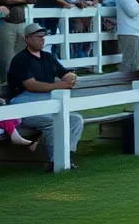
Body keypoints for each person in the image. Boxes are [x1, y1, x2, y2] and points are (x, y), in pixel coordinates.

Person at [5, 23, 84, 172]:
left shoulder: (48, 57)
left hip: (47, 101)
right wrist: (59, 85)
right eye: (38, 37)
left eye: (43, 37)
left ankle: (66, 156)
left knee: (76, 120)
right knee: (53, 122)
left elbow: (64, 73)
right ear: (27, 39)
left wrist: (71, 77)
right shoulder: (21, 60)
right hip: (23, 103)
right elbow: (31, 85)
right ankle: (56, 162)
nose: (42, 40)